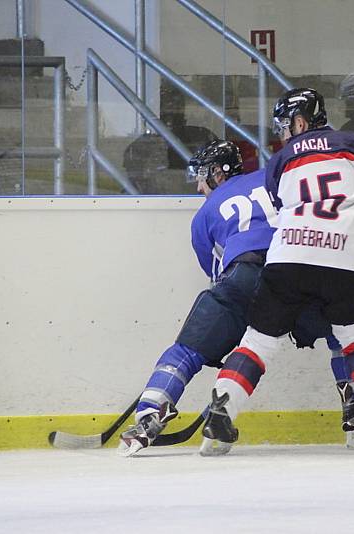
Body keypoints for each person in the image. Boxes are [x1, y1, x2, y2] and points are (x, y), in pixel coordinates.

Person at [198, 88, 354, 455]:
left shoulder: (280, 160)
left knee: (257, 342)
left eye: (285, 126)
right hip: (342, 262)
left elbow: (283, 205)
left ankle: (221, 410)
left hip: (287, 259)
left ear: (300, 123)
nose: (283, 134)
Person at [118, 139, 341, 456]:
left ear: (218, 173)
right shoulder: (274, 176)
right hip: (299, 268)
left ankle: (150, 413)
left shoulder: (205, 213)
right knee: (344, 333)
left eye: (201, 176)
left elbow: (218, 275)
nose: (198, 186)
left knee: (188, 349)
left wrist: (228, 326)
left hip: (244, 274)